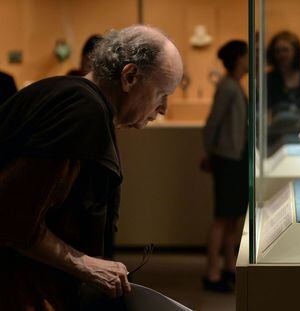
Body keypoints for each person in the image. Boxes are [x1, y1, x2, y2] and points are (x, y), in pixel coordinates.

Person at [0, 25, 183, 311]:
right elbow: (12, 217)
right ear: (130, 76)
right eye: (162, 93)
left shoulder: (70, 96)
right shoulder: (83, 110)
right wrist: (87, 265)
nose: (163, 109)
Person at [202, 40, 248, 293]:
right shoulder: (228, 87)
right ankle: (213, 272)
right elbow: (213, 123)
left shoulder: (234, 85)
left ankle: (229, 266)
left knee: (232, 217)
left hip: (235, 158)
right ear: (239, 58)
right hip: (227, 159)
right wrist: (209, 153)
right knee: (222, 217)